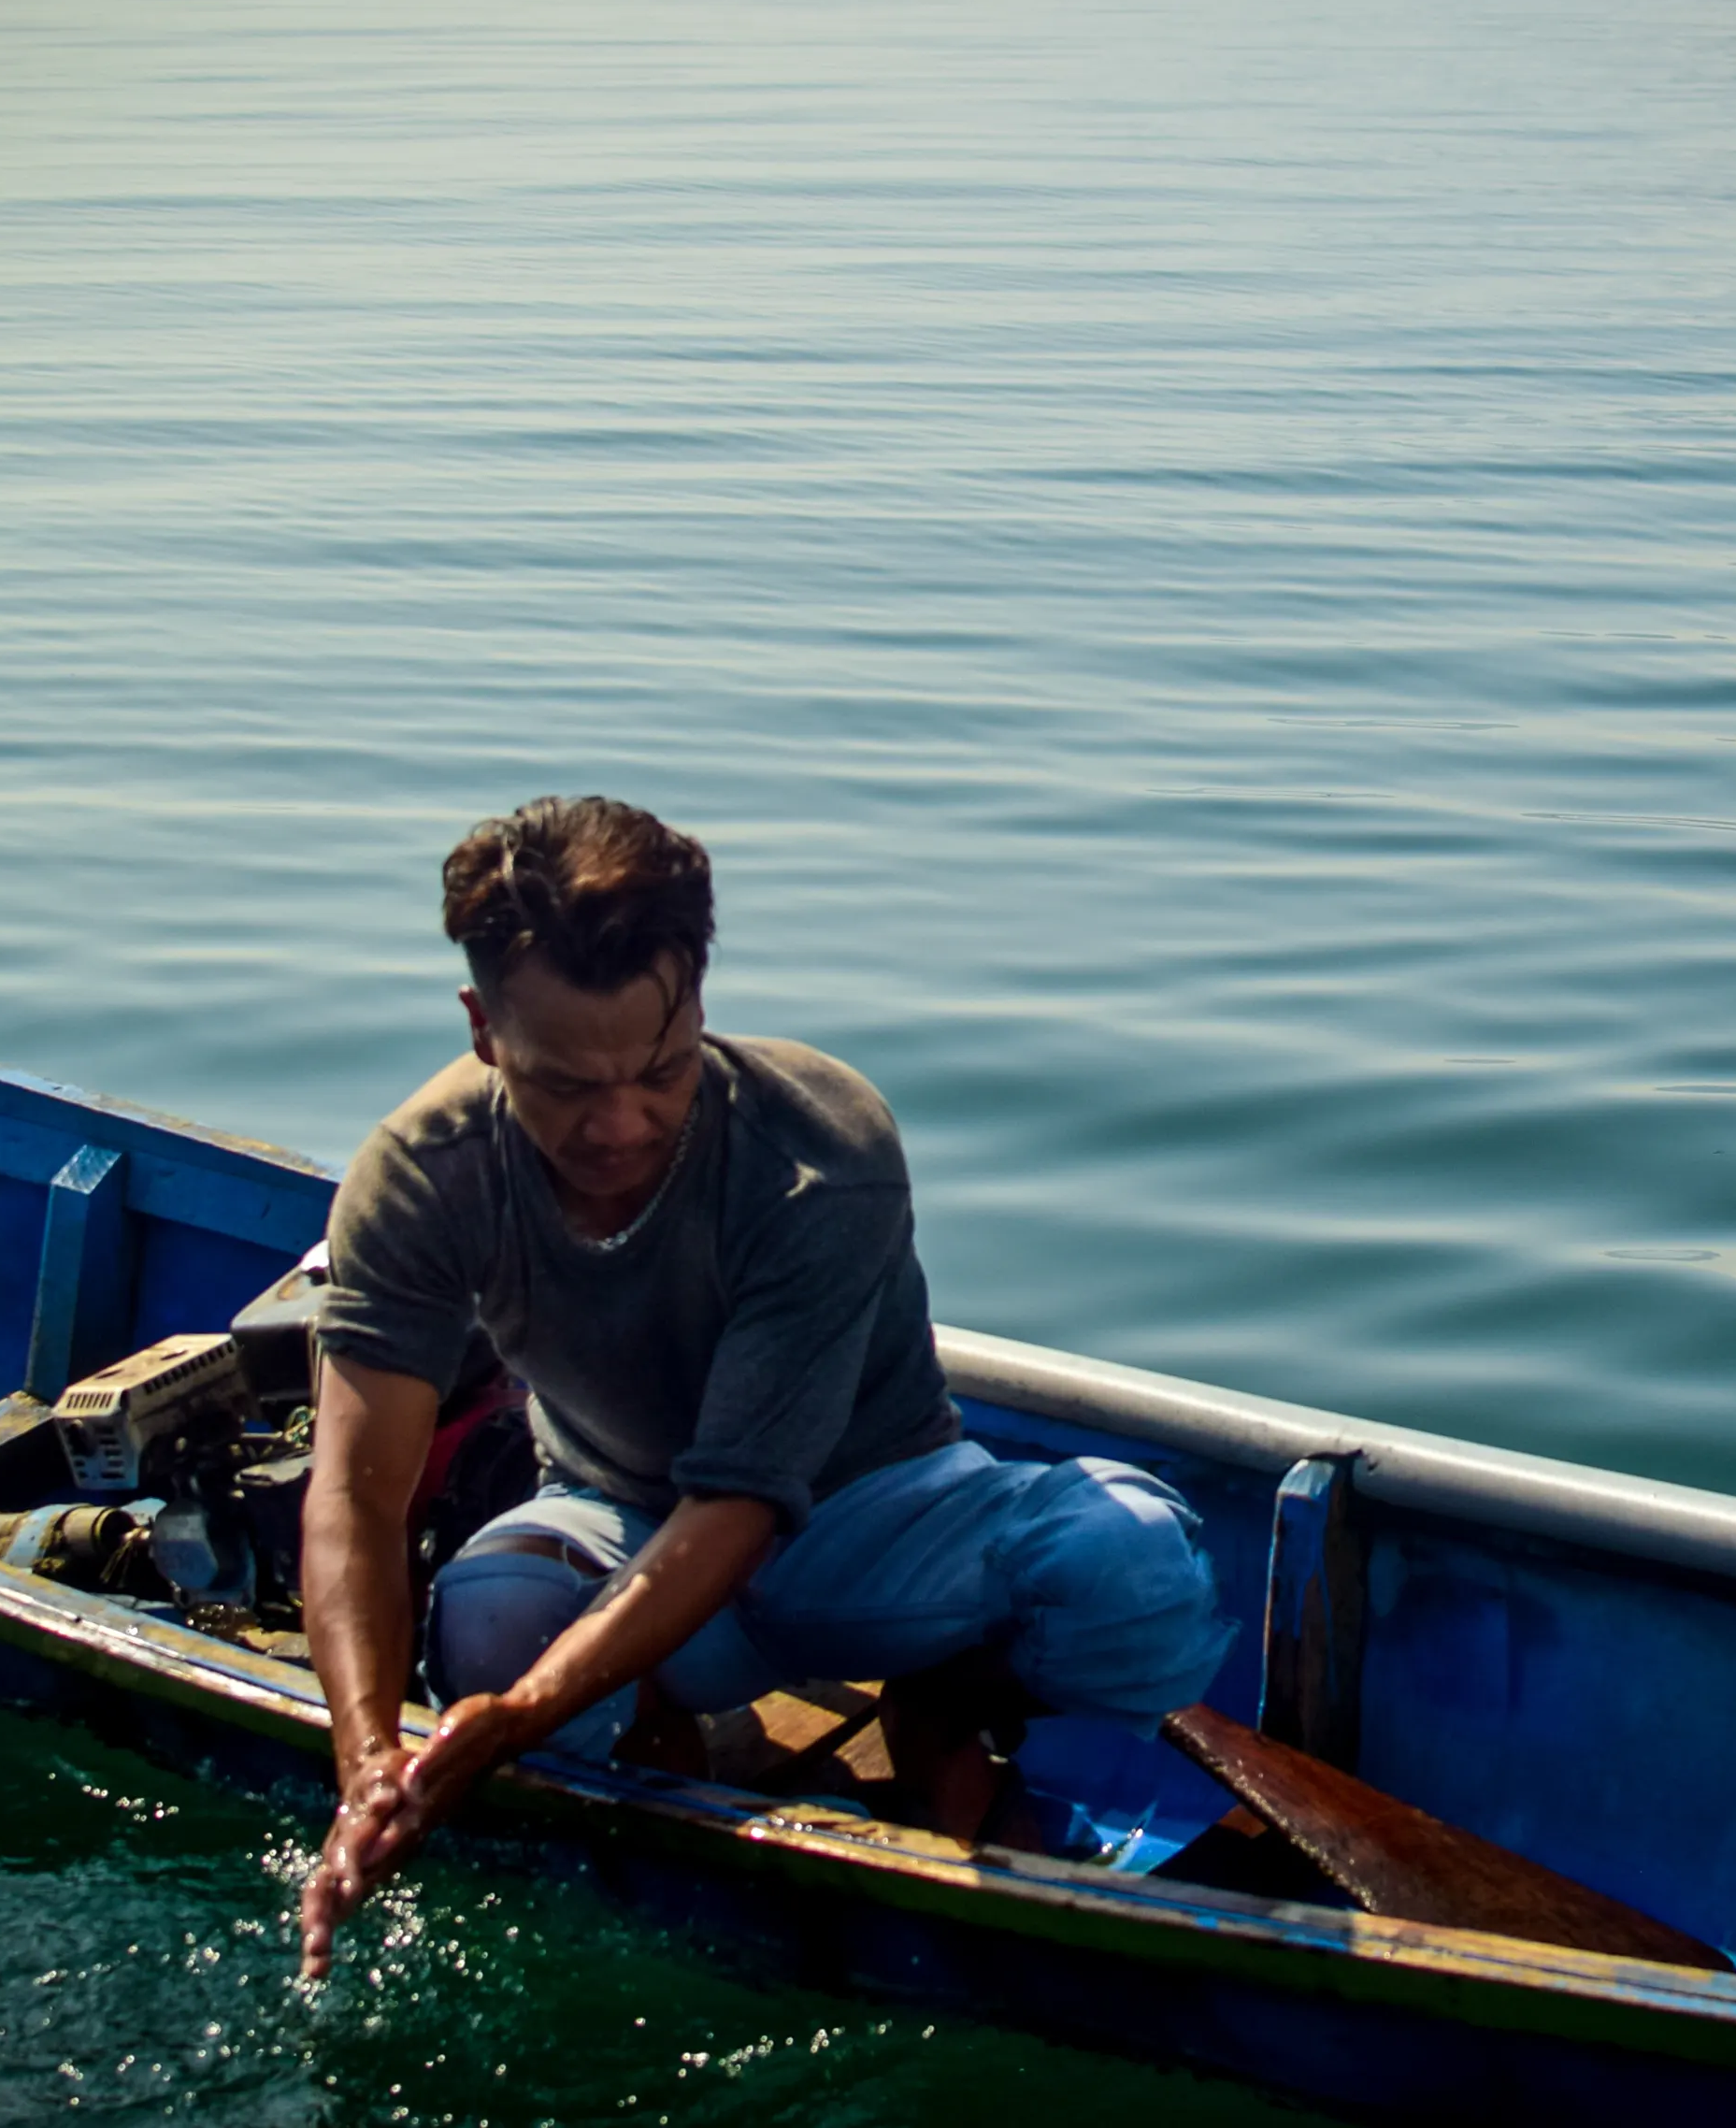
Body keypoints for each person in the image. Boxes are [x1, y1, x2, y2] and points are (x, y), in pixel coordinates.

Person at [295, 796, 1229, 1978]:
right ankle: (668, 1736)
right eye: (565, 1085)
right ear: (484, 1029)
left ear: (699, 1001)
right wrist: (370, 1762)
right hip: (617, 1513)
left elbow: (741, 1497)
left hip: (873, 1515)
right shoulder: (420, 1176)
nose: (619, 1122)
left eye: (660, 1068)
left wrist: (525, 1717)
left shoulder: (817, 1145)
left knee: (1137, 1572)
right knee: (484, 1624)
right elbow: (355, 1501)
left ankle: (938, 1706)